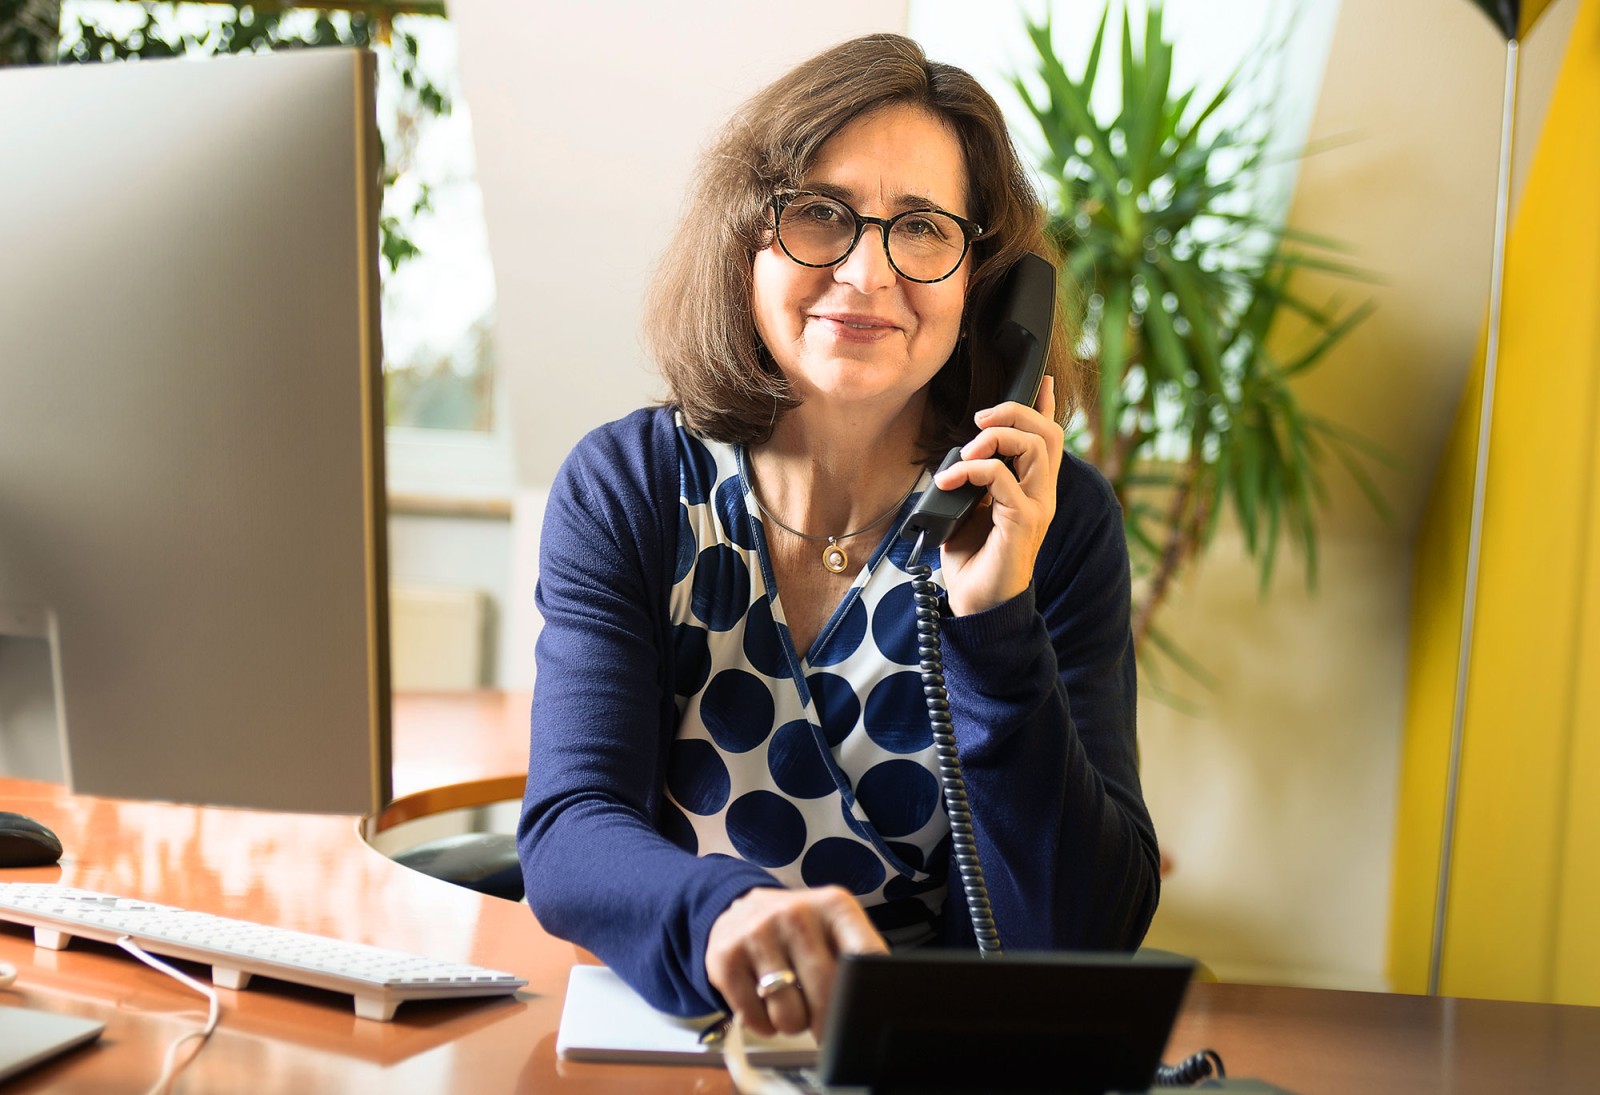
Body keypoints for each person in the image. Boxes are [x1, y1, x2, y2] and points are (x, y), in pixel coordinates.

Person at [518, 32, 1159, 1043]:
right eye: (820, 214)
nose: (866, 274)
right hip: (683, 1043)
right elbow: (569, 830)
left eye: (920, 228)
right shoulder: (632, 486)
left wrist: (994, 622)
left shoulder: (1051, 520)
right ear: (749, 238)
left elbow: (1075, 934)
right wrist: (728, 913)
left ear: (986, 284)